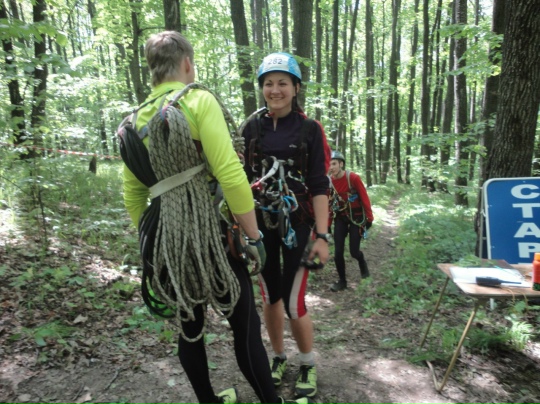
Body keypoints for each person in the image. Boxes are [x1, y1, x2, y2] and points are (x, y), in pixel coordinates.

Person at [119, 31, 313, 404]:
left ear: (151, 69)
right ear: (186, 64)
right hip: (210, 234)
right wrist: (253, 236)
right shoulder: (197, 100)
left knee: (189, 329)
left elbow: (133, 196)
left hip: (169, 239)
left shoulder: (131, 123)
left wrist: (161, 242)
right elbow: (230, 174)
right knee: (244, 327)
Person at [240, 52, 331, 399]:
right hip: (259, 225)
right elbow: (238, 181)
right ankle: (278, 357)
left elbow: (319, 185)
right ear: (261, 88)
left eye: (282, 83)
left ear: (296, 88)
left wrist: (322, 235)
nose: (275, 90)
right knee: (270, 296)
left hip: (299, 225)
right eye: (268, 83)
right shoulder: (250, 129)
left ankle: (307, 362)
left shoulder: (310, 129)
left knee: (293, 301)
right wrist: (241, 230)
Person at [328, 150, 374, 292]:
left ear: (341, 164)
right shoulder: (329, 182)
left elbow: (364, 198)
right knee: (338, 252)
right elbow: (328, 204)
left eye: (334, 164)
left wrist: (369, 218)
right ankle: (342, 281)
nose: (331, 167)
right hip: (340, 217)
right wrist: (328, 225)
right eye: (329, 164)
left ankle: (362, 262)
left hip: (356, 217)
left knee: (354, 251)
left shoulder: (353, 178)